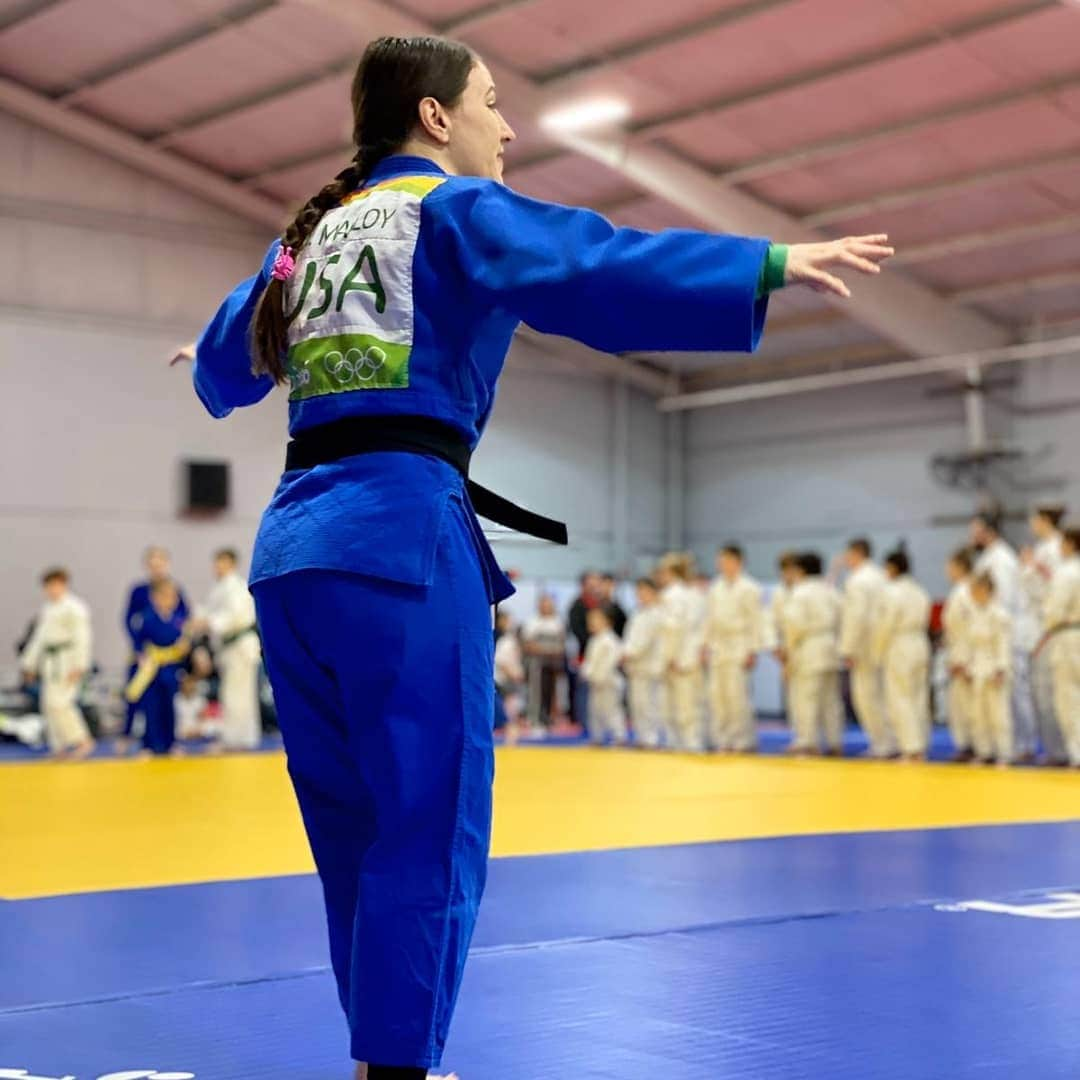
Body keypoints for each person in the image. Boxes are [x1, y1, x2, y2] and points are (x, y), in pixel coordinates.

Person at [174, 34, 892, 1078]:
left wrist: (197, 357)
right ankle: (400, 1067)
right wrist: (765, 261)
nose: (506, 128)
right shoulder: (453, 209)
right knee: (429, 820)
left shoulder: (310, 236)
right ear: (434, 118)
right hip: (399, 542)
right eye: (493, 104)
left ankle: (384, 1060)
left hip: (292, 554)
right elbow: (589, 261)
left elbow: (221, 367)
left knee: (355, 836)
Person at [970, 510, 1036, 762]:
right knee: (994, 702)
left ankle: (1024, 745)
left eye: (975, 530)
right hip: (989, 634)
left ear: (988, 531)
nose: (972, 536)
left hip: (1005, 633)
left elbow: (1004, 600)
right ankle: (1000, 747)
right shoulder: (988, 558)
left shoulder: (1002, 559)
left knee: (1015, 694)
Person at [188, 548, 262, 751]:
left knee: (238, 695)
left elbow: (236, 617)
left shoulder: (235, 586)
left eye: (222, 562)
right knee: (232, 693)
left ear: (232, 563)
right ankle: (239, 737)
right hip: (229, 647)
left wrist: (208, 622)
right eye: (216, 562)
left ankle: (237, 739)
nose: (218, 567)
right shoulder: (219, 587)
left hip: (240, 646)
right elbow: (211, 612)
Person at [19, 567, 94, 759]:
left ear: (64, 584)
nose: (52, 590)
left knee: (61, 703)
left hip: (68, 660)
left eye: (56, 585)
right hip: (50, 662)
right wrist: (29, 664)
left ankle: (82, 740)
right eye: (48, 586)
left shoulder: (75, 607)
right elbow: (39, 639)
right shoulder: (48, 608)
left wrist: (80, 665)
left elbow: (83, 638)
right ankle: (59, 745)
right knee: (48, 704)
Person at [119, 547, 188, 752]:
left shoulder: (176, 589)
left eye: (161, 563)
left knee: (168, 704)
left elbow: (185, 619)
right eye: (153, 563)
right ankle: (139, 740)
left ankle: (170, 742)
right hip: (145, 656)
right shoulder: (139, 591)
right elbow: (128, 620)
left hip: (170, 660)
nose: (157, 567)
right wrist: (138, 648)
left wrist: (184, 645)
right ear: (147, 565)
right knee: (140, 700)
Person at [704, 544, 763, 753]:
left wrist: (753, 650)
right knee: (717, 696)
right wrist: (706, 645)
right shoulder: (715, 587)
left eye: (727, 560)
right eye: (720, 561)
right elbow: (709, 619)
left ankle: (742, 740)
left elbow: (756, 620)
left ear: (738, 562)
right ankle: (723, 739)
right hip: (719, 645)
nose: (722, 565)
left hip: (740, 644)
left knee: (737, 696)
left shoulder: (750, 587)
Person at [838, 537, 894, 758]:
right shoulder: (881, 576)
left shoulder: (858, 580)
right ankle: (890, 740)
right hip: (882, 642)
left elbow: (856, 616)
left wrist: (848, 648)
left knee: (866, 696)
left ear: (857, 553)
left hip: (864, 644)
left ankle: (881, 743)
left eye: (848, 555)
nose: (846, 559)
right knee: (883, 694)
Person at [873, 548, 931, 761]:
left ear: (891, 568)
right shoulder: (919, 590)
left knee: (900, 697)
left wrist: (877, 652)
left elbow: (885, 624)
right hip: (919, 642)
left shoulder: (891, 591)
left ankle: (911, 748)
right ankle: (921, 744)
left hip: (899, 643)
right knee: (919, 695)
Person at [784, 552, 843, 755]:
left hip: (809, 646)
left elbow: (794, 625)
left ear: (800, 570)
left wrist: (790, 650)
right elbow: (842, 616)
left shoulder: (801, 592)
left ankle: (807, 742)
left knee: (807, 697)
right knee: (831, 699)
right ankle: (835, 742)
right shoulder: (830, 590)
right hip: (831, 645)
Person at [1021, 503, 1067, 763]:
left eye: (1035, 520)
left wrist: (1032, 567)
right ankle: (1054, 750)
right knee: (1042, 693)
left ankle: (1063, 751)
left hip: (1052, 626)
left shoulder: (1055, 549)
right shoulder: (1041, 549)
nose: (1032, 525)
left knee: (1054, 692)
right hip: (1037, 624)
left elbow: (1054, 586)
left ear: (1045, 521)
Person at [963, 572, 1013, 765]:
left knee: (998, 714)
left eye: (975, 590)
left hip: (994, 667)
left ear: (985, 590)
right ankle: (985, 751)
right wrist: (968, 666)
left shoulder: (999, 615)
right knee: (978, 714)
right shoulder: (975, 613)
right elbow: (971, 643)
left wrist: (1001, 669)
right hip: (977, 667)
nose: (973, 594)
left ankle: (1004, 753)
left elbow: (1003, 644)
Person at [656, 552, 705, 751]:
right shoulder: (691, 593)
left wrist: (671, 657)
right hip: (685, 655)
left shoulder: (673, 594)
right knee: (683, 703)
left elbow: (674, 628)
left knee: (683, 703)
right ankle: (685, 741)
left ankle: (687, 743)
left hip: (679, 656)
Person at [1040, 525, 1080, 767]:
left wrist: (1047, 619)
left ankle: (1077, 753)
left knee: (1069, 696)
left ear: (1070, 544)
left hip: (1068, 636)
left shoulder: (1066, 572)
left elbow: (1054, 611)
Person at [622, 577, 666, 748]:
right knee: (637, 703)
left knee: (648, 704)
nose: (640, 595)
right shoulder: (638, 613)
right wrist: (626, 653)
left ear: (653, 592)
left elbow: (644, 641)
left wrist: (629, 652)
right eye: (638, 592)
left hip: (648, 665)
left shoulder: (656, 614)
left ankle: (651, 738)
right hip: (635, 666)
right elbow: (630, 638)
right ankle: (641, 736)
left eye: (644, 591)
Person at [942, 547, 976, 762]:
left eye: (950, 566)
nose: (947, 571)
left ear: (960, 567)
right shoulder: (962, 591)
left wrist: (962, 660)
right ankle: (966, 745)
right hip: (959, 651)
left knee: (967, 703)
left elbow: (967, 628)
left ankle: (970, 746)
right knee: (960, 703)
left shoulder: (965, 592)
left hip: (965, 654)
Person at [520, 594, 566, 731]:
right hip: (536, 664)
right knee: (536, 692)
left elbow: (562, 645)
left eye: (549, 604)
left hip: (553, 664)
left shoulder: (558, 622)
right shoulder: (532, 622)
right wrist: (546, 650)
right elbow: (527, 645)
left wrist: (552, 651)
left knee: (552, 692)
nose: (547, 607)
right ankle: (535, 719)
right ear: (539, 606)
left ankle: (548, 719)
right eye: (544, 604)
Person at [580, 607, 626, 745]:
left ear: (607, 622)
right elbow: (590, 662)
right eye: (590, 620)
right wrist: (586, 673)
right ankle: (597, 738)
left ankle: (619, 737)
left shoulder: (610, 640)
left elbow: (610, 662)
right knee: (595, 711)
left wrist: (600, 677)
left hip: (609, 682)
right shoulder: (594, 640)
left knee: (611, 710)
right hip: (595, 682)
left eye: (595, 620)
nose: (592, 623)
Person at [493, 610, 525, 741]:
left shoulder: (511, 641)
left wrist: (518, 673)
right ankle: (509, 730)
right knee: (508, 708)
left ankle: (511, 731)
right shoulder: (505, 642)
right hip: (502, 680)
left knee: (513, 708)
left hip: (510, 680)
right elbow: (500, 661)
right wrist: (512, 674)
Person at [599, 572, 628, 637]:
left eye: (609, 585)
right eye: (604, 584)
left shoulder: (618, 606)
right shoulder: (595, 605)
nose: (607, 588)